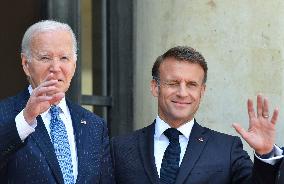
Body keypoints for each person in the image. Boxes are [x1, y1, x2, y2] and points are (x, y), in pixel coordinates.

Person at [111, 46, 284, 184]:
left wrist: (265, 154)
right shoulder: (120, 148)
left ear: (202, 91)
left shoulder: (227, 149)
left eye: (192, 84)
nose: (182, 92)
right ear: (155, 87)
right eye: (173, 83)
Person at [0, 20, 114, 184]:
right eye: (45, 58)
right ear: (26, 64)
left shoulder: (94, 125)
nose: (55, 67)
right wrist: (26, 119)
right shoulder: (5, 114)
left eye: (64, 58)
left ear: (74, 66)